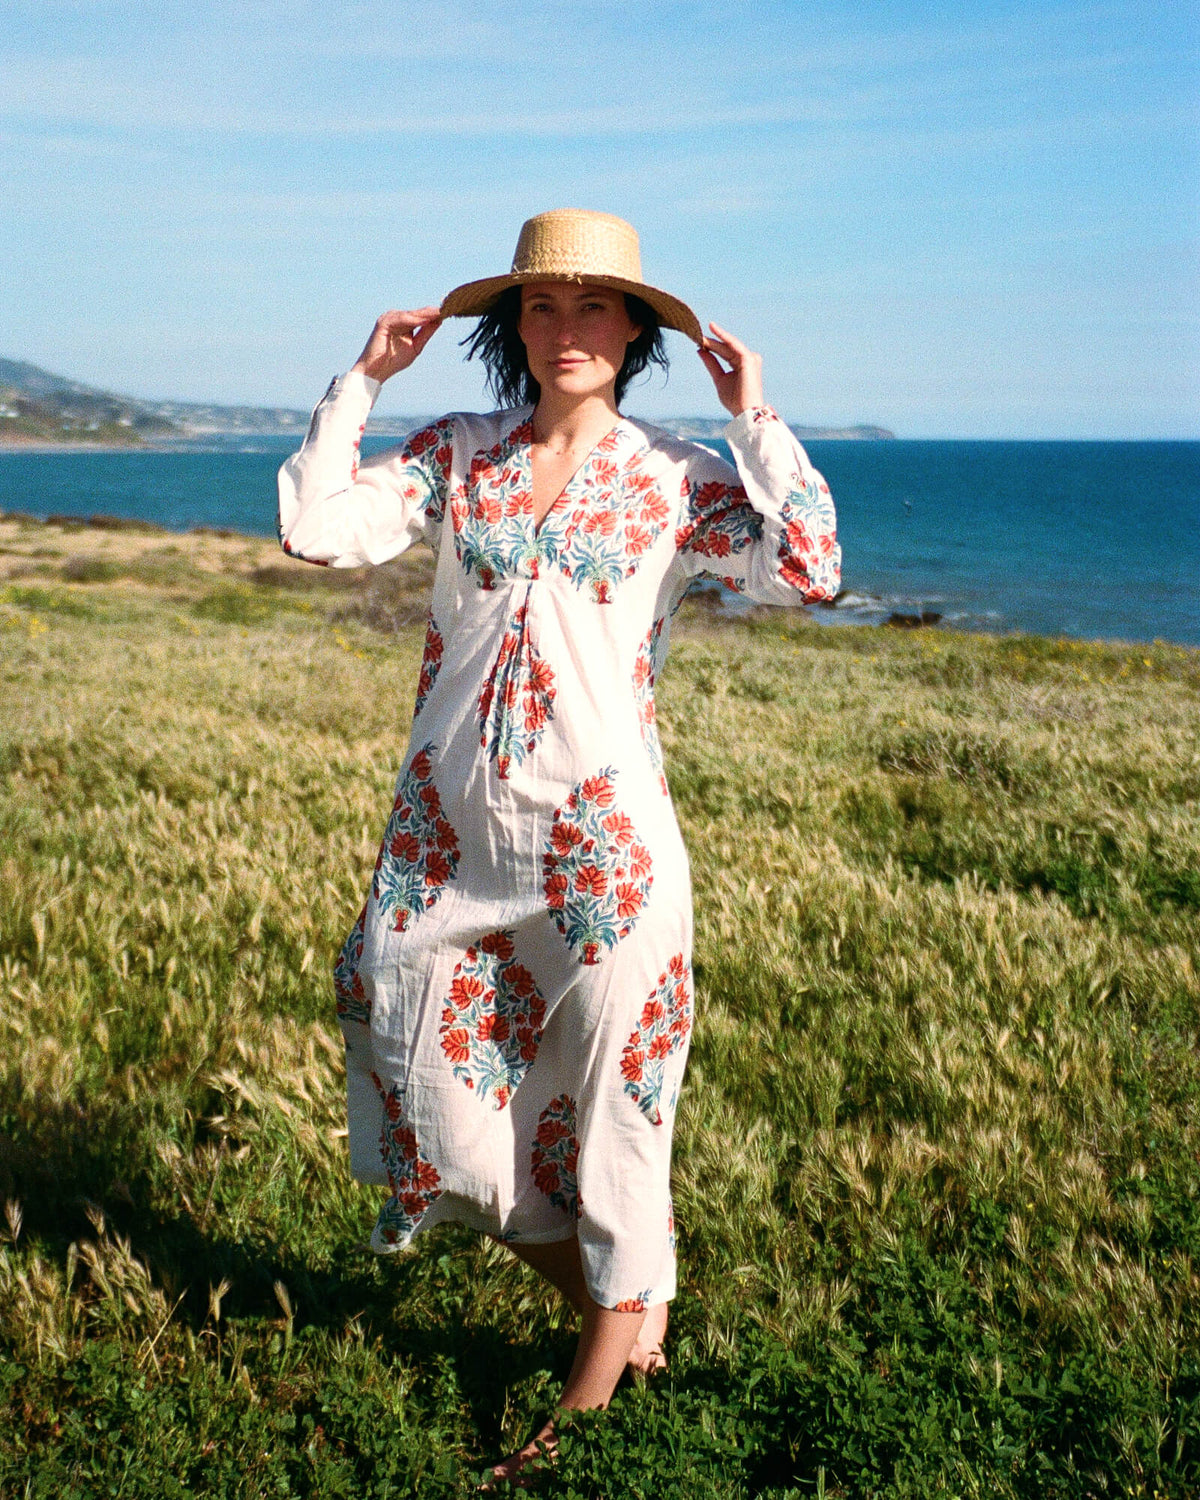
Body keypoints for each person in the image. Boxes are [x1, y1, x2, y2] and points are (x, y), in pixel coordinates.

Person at [277, 208, 840, 1482]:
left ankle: (586, 1411)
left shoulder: (675, 473)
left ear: (636, 332)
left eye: (595, 309)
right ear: (512, 327)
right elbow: (315, 529)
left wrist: (755, 417)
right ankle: (624, 1305)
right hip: (444, 834)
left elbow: (805, 568)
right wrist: (361, 381)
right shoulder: (458, 454)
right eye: (542, 307)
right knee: (400, 1043)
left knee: (613, 1114)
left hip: (602, 848)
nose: (567, 329)